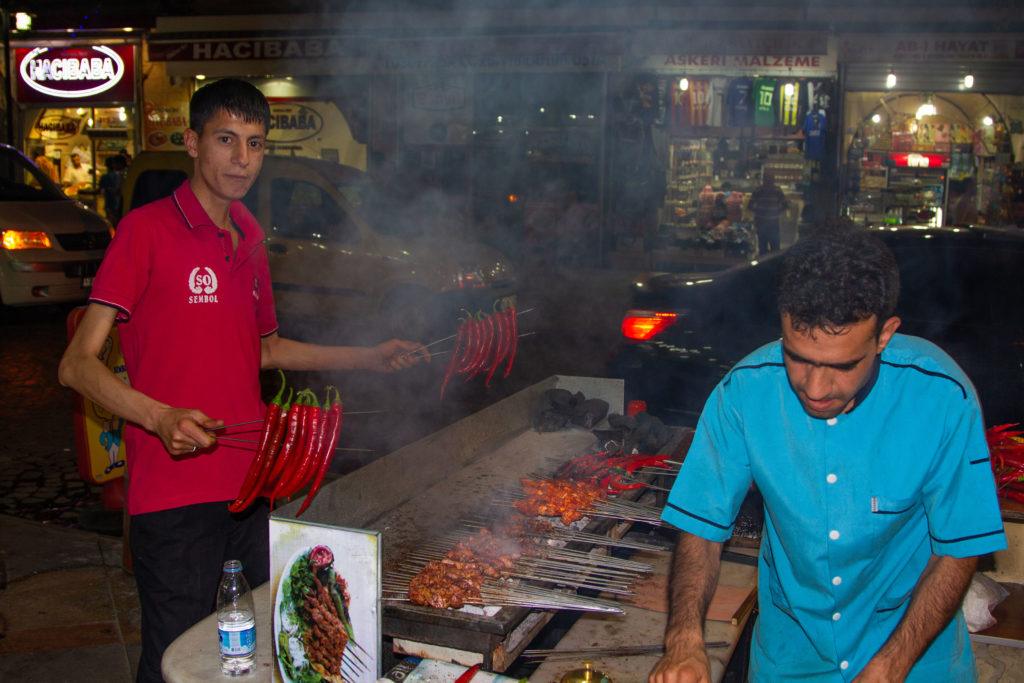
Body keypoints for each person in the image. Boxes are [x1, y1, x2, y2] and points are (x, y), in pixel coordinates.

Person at [58, 79, 429, 683]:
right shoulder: (146, 231)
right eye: (226, 140)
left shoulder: (251, 238)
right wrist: (158, 417)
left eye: (254, 144)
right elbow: (76, 363)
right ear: (193, 144)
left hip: (253, 488)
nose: (241, 159)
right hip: (174, 499)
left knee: (257, 652)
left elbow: (263, 350)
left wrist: (368, 357)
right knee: (175, 661)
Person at [650, 229, 1006, 683]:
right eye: (798, 358)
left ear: (884, 336)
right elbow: (701, 527)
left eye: (841, 366)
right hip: (789, 661)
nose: (815, 389)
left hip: (917, 662)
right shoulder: (743, 391)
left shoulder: (942, 399)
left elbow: (956, 552)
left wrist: (891, 665)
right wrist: (684, 642)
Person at [747, 173, 788, 254]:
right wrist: (776, 211)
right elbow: (785, 205)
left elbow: (750, 206)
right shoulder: (777, 190)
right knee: (775, 247)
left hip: (761, 221)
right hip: (773, 222)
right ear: (773, 180)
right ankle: (774, 264)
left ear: (763, 180)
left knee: (762, 247)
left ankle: (764, 264)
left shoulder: (758, 190)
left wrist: (759, 211)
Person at [98, 155, 125, 225]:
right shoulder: (121, 175)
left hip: (110, 203)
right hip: (119, 203)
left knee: (111, 222)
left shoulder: (105, 177)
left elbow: (101, 191)